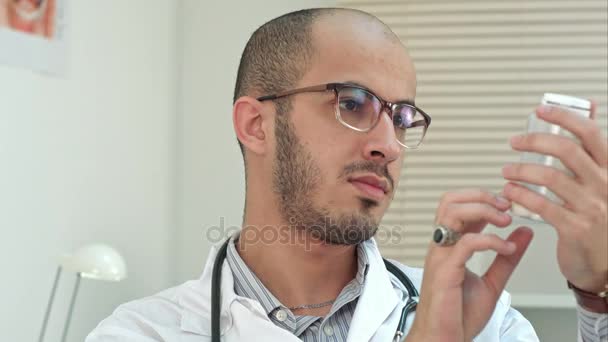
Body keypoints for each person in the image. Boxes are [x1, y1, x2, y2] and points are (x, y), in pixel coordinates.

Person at [86, 8, 608, 342]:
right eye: (353, 103)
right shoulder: (141, 333)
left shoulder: (478, 316)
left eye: (402, 118)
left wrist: (595, 293)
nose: (388, 144)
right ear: (256, 124)